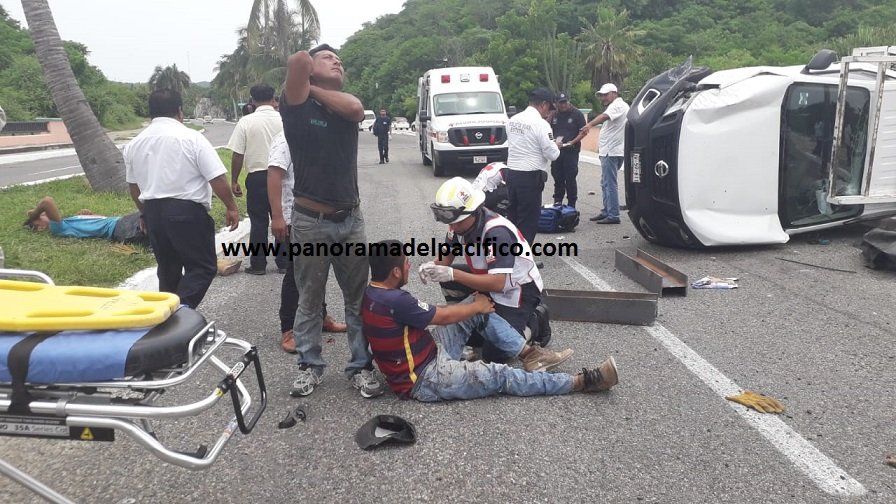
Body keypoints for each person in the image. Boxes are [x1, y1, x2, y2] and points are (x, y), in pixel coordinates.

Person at [363, 240, 618, 401]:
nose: (410, 267)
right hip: (426, 379)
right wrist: (476, 306)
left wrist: (475, 306)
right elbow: (441, 317)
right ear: (395, 271)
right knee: (500, 374)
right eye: (406, 264)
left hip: (430, 357)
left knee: (473, 307)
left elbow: (432, 313)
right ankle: (581, 382)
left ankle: (530, 354)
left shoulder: (374, 294)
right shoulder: (396, 301)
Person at [279, 43, 383, 398]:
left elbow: (355, 109)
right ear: (311, 69)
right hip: (310, 221)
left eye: (340, 59)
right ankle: (310, 366)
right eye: (328, 57)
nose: (337, 60)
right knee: (310, 298)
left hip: (350, 219)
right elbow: (296, 62)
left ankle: (360, 366)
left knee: (358, 298)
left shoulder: (344, 104)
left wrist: (316, 84)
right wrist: (307, 67)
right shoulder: (296, 105)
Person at [125, 88, 239, 309]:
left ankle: (166, 322)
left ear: (151, 113)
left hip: (154, 212)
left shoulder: (134, 143)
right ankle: (176, 313)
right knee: (203, 267)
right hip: (186, 212)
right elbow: (216, 177)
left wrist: (144, 213)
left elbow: (133, 186)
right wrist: (231, 207)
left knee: (168, 270)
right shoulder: (192, 137)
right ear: (179, 111)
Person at [421, 177, 550, 362]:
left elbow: (499, 284)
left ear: (472, 212)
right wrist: (432, 266)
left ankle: (536, 320)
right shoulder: (458, 225)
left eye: (457, 222)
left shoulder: (495, 233)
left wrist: (453, 274)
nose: (452, 226)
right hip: (488, 280)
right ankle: (482, 319)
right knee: (469, 332)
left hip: (517, 290)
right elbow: (446, 256)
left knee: (496, 354)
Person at [266, 131, 348, 354]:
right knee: (296, 273)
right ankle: (289, 329)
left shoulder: (316, 135)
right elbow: (274, 174)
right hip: (294, 218)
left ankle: (320, 317)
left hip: (319, 216)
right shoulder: (286, 138)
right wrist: (278, 216)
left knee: (318, 268)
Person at [227, 83, 286, 275]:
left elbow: (237, 154)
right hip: (283, 175)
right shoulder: (284, 119)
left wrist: (234, 180)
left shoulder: (246, 122)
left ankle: (259, 264)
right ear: (273, 98)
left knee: (259, 221)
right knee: (282, 217)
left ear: (252, 101)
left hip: (257, 177)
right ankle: (284, 262)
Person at [505, 88, 561, 246]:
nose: (549, 113)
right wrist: (556, 145)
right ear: (543, 105)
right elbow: (552, 154)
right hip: (530, 177)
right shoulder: (541, 124)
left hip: (512, 174)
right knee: (528, 220)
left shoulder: (512, 120)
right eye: (549, 109)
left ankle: (509, 255)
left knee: (513, 217)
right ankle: (523, 260)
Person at [581, 83, 630, 224]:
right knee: (605, 183)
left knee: (610, 183)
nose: (603, 97)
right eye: (601, 95)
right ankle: (607, 210)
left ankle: (613, 214)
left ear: (614, 93)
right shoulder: (615, 106)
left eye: (605, 94)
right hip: (610, 150)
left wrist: (589, 124)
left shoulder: (618, 105)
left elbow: (604, 117)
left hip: (611, 150)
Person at [24, 196, 149, 246]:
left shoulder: (68, 223)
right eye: (41, 217)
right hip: (119, 228)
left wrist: (91, 216)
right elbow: (47, 202)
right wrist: (33, 216)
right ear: (40, 227)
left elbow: (103, 222)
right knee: (152, 214)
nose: (44, 214)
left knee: (153, 212)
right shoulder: (58, 229)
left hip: (120, 223)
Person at [550, 92, 587, 208]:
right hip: (557, 151)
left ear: (568, 101)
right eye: (560, 103)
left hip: (571, 151)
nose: (563, 105)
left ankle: (571, 205)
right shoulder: (554, 115)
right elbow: (547, 129)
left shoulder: (577, 114)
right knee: (557, 177)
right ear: (556, 104)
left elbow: (584, 132)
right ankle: (557, 203)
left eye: (565, 102)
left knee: (570, 178)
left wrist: (573, 142)